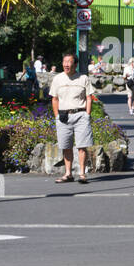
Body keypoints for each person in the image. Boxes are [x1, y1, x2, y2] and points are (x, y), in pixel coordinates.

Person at [49, 53, 96, 183]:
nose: (66, 64)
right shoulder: (57, 79)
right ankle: (68, 174)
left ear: (75, 64)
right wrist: (57, 116)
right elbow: (54, 99)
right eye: (64, 61)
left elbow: (89, 97)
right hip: (63, 116)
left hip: (81, 115)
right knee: (66, 146)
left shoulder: (83, 78)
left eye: (69, 62)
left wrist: (87, 114)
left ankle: (82, 174)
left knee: (82, 146)